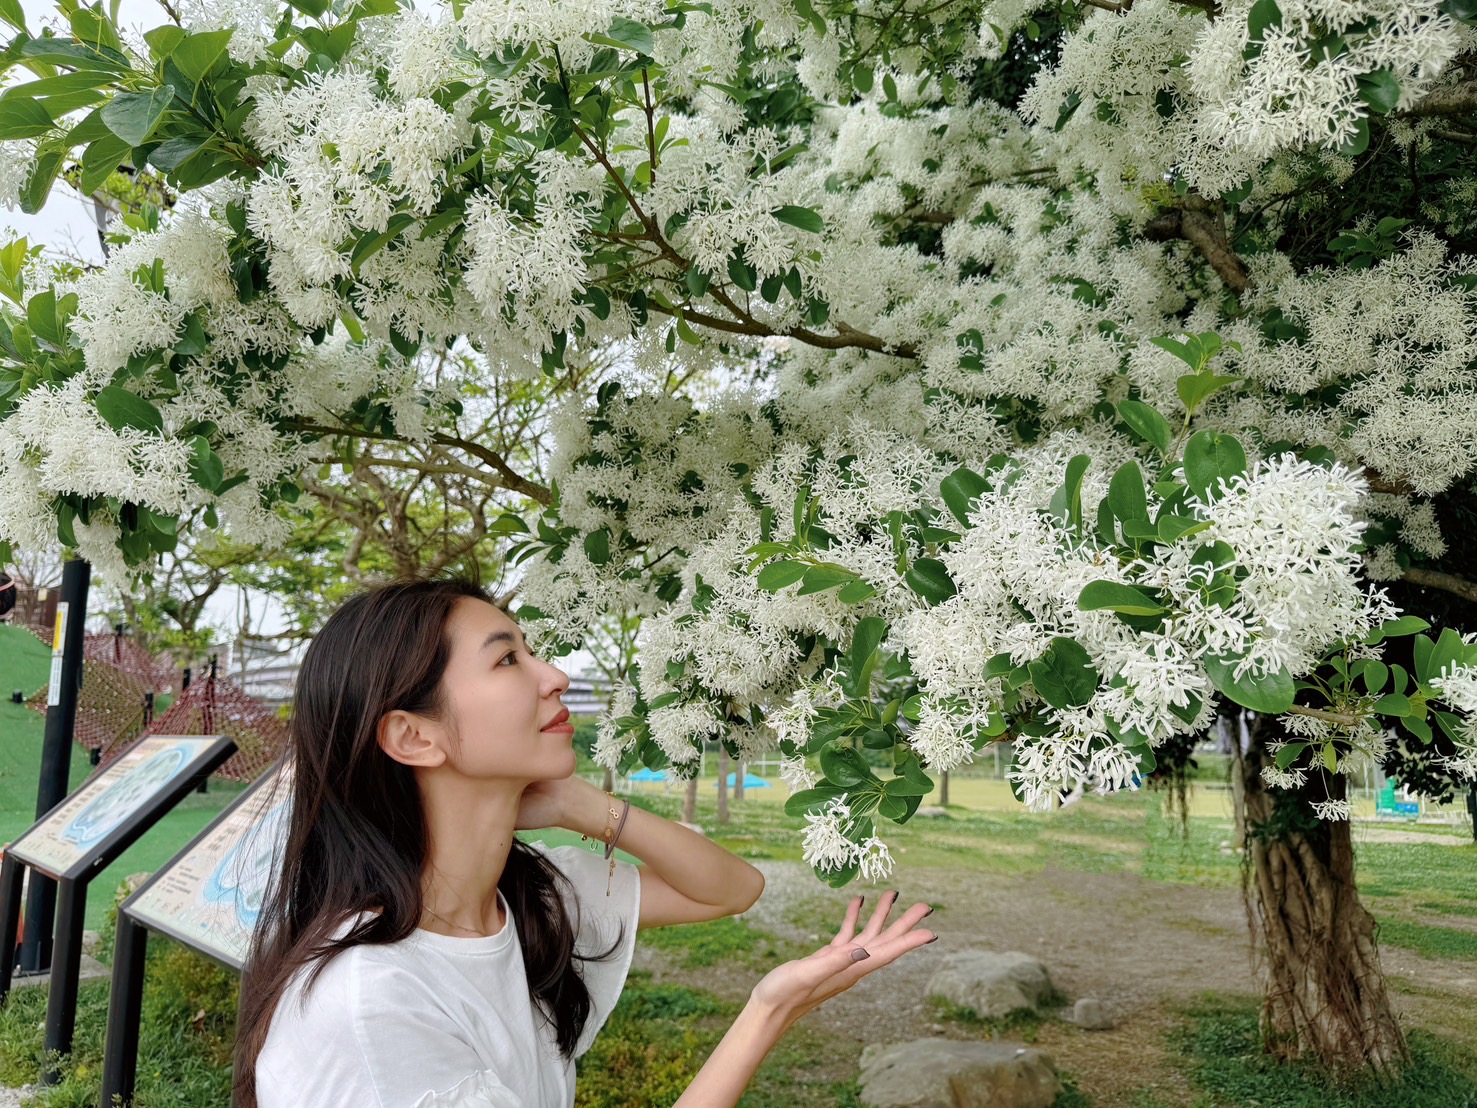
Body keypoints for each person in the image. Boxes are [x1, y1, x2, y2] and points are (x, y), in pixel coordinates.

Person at [235, 577, 934, 1107]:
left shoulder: (525, 899)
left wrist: (580, 804)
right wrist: (769, 1011)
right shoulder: (374, 999)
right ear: (414, 736)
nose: (556, 676)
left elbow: (730, 889)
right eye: (508, 661)